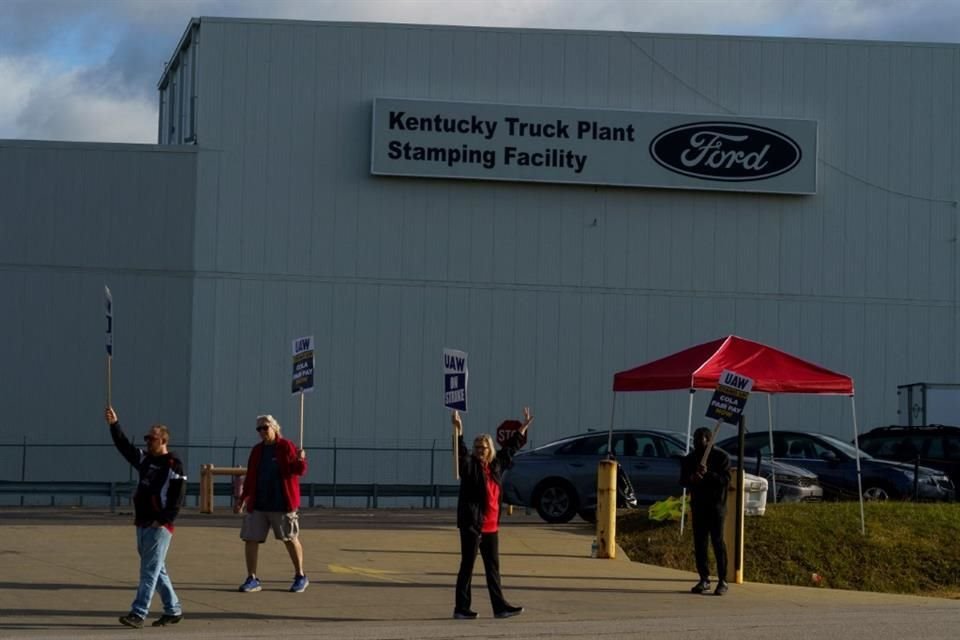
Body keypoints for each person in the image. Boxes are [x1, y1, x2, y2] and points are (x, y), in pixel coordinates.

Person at [105, 406, 186, 628]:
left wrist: (163, 519)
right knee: (157, 569)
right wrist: (114, 425)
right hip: (142, 523)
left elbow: (178, 496)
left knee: (148, 571)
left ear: (163, 441)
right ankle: (173, 609)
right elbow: (124, 447)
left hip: (158, 526)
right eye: (147, 438)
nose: (147, 441)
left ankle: (138, 612)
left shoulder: (173, 463)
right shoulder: (145, 460)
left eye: (152, 438)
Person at [452, 407, 532, 620]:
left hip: (491, 526)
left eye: (484, 447)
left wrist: (522, 428)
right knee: (467, 566)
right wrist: (459, 432)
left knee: (493, 569)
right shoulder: (470, 466)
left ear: (490, 450)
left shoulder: (495, 466)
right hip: (472, 524)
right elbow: (461, 456)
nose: (480, 450)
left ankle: (500, 607)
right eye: (477, 447)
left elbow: (510, 449)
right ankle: (461, 608)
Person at [237, 414, 309, 593]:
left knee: (290, 538)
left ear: (274, 427)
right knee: (250, 538)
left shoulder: (286, 446)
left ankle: (300, 575)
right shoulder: (257, 451)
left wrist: (300, 459)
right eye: (259, 429)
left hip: (282, 503)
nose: (262, 431)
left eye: (265, 427)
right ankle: (252, 578)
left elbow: (298, 471)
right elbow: (251, 476)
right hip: (259, 503)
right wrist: (243, 499)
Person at [680, 426, 731, 596]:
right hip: (699, 506)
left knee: (717, 542)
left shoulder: (721, 457)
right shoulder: (690, 459)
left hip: (716, 507)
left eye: (699, 440)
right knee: (700, 543)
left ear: (709, 441)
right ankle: (704, 578)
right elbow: (683, 480)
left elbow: (725, 480)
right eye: (694, 440)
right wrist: (692, 478)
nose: (696, 443)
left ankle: (723, 580)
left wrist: (708, 475)